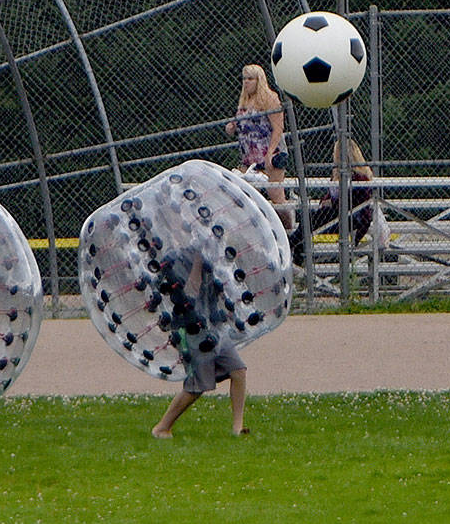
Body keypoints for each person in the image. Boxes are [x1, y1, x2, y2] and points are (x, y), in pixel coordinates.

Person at [151, 251, 249, 438]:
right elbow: (189, 295)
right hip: (191, 329)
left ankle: (238, 428)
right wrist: (196, 262)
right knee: (196, 387)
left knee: (238, 371)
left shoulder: (211, 255)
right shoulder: (175, 259)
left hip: (213, 326)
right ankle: (162, 427)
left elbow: (220, 289)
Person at [225, 64, 293, 230]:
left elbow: (278, 128)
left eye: (250, 79)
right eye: (244, 79)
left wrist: (270, 153)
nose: (246, 82)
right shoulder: (244, 100)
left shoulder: (269, 98)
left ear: (259, 80)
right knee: (245, 195)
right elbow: (241, 124)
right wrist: (232, 126)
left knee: (276, 195)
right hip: (249, 157)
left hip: (270, 153)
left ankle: (289, 231)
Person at [289, 139, 374, 267]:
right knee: (308, 217)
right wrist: (326, 202)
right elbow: (328, 197)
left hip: (351, 219)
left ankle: (290, 245)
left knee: (311, 219)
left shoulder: (360, 177)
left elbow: (354, 203)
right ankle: (296, 255)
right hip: (334, 216)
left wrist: (333, 203)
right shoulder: (336, 173)